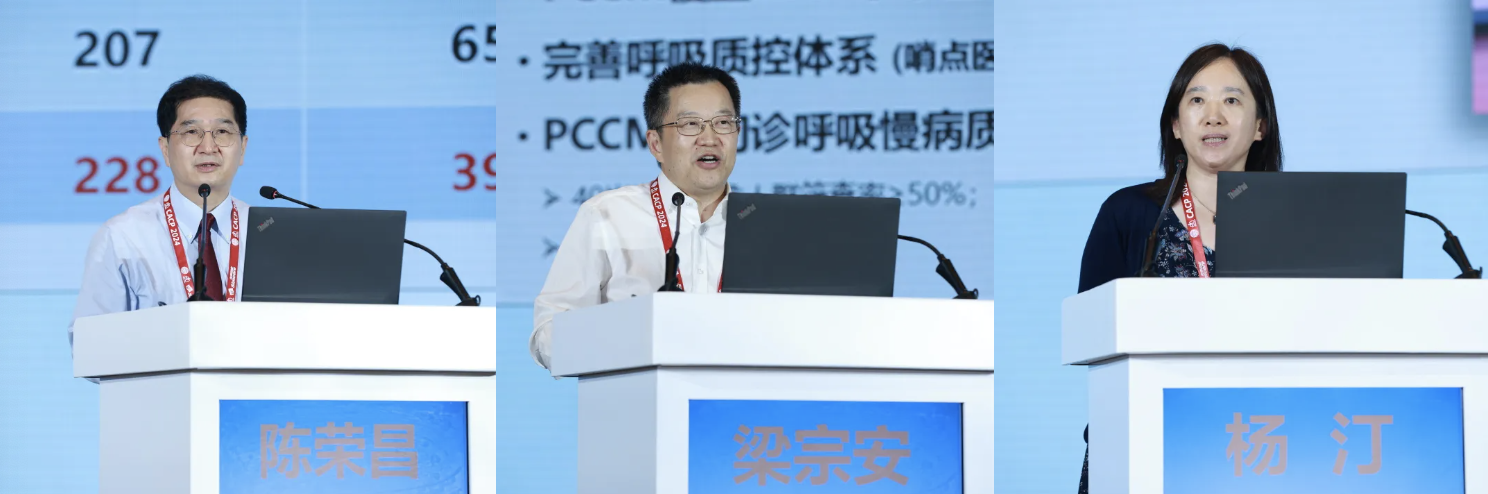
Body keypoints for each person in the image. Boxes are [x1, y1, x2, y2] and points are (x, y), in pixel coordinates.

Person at [1073, 43, 1284, 492]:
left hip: (1259, 441)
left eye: (1232, 100)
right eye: (1196, 100)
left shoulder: (1291, 221)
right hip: (1145, 438)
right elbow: (1089, 332)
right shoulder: (1128, 214)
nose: (1213, 116)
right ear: (1175, 124)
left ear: (1260, 126)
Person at [530, 62, 743, 370]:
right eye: (690, 124)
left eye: (723, 122)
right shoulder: (607, 216)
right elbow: (547, 337)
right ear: (656, 144)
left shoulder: (765, 226)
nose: (709, 138)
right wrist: (629, 334)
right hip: (637, 396)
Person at [69, 75, 252, 349]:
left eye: (223, 132)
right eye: (191, 132)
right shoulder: (122, 238)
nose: (208, 147)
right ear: (165, 149)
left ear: (242, 148)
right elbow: (88, 345)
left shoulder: (269, 233)